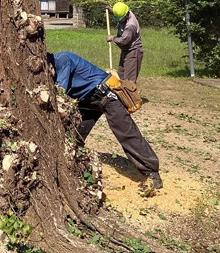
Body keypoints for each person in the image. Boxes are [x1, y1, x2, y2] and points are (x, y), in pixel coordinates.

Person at [48, 51, 163, 189]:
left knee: (126, 133)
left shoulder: (62, 60)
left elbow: (60, 93)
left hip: (106, 96)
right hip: (87, 102)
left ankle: (151, 171)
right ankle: (72, 165)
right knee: (73, 134)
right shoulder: (54, 66)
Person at [106, 2, 143, 82]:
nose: (120, 21)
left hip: (133, 52)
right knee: (121, 77)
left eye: (120, 18)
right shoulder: (126, 13)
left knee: (129, 82)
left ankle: (130, 94)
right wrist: (111, 11)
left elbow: (123, 41)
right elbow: (121, 13)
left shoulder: (130, 25)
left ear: (126, 15)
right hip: (126, 51)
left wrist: (112, 38)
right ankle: (121, 94)